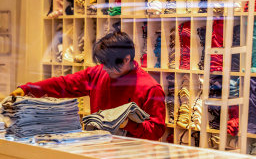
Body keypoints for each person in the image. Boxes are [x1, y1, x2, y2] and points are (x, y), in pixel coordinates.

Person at [11, 31, 166, 141]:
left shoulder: (150, 88)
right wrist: (27, 89)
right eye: (103, 63)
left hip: (131, 157)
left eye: (109, 64)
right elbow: (63, 84)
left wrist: (128, 124)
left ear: (126, 59)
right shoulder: (98, 73)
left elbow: (156, 131)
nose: (105, 68)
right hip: (98, 147)